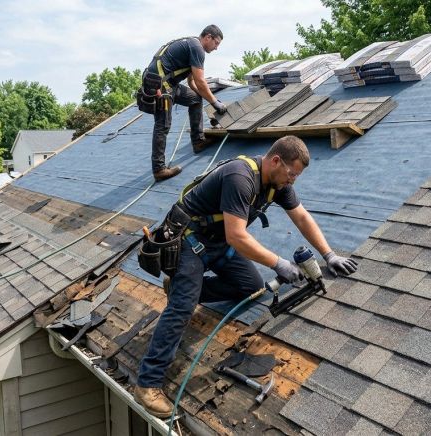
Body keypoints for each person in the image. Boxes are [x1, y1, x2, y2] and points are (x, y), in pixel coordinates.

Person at [133, 135, 358, 417]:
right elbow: (237, 235)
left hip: (217, 244)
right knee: (182, 309)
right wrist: (278, 263)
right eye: (292, 174)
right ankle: (148, 383)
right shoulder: (241, 177)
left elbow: (301, 217)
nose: (293, 181)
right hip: (189, 241)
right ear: (276, 161)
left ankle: (181, 287)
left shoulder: (277, 184)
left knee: (251, 287)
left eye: (297, 176)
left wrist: (329, 255)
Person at [139, 25, 228, 182]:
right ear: (208, 37)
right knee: (163, 125)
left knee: (194, 99)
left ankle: (198, 141)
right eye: (216, 43)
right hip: (161, 87)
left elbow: (192, 82)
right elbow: (200, 81)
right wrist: (215, 103)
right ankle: (159, 169)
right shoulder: (197, 48)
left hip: (167, 84)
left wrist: (204, 96)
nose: (216, 48)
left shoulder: (191, 45)